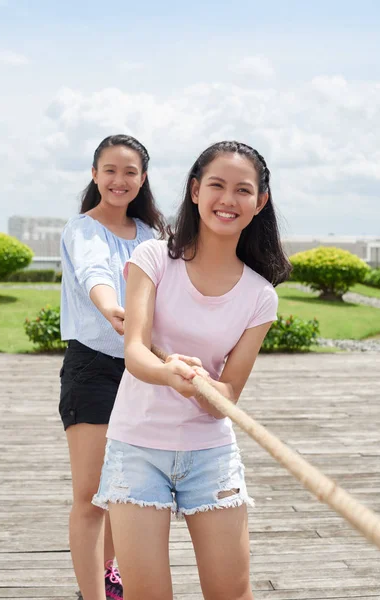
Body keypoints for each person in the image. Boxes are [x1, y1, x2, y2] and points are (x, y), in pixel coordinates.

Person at [93, 140, 291, 599]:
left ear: (260, 202)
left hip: (210, 454)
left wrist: (204, 388)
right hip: (137, 448)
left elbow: (229, 395)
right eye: (217, 185)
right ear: (195, 190)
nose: (228, 200)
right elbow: (136, 352)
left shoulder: (261, 296)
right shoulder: (153, 259)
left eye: (243, 190)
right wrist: (169, 374)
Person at [59, 134, 165, 600]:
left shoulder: (152, 236)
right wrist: (111, 309)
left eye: (130, 172)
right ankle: (92, 594)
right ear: (94, 173)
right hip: (94, 370)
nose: (119, 180)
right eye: (110, 170)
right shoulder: (82, 229)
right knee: (91, 495)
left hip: (142, 371)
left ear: (142, 179)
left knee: (124, 490)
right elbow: (95, 274)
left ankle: (108, 574)